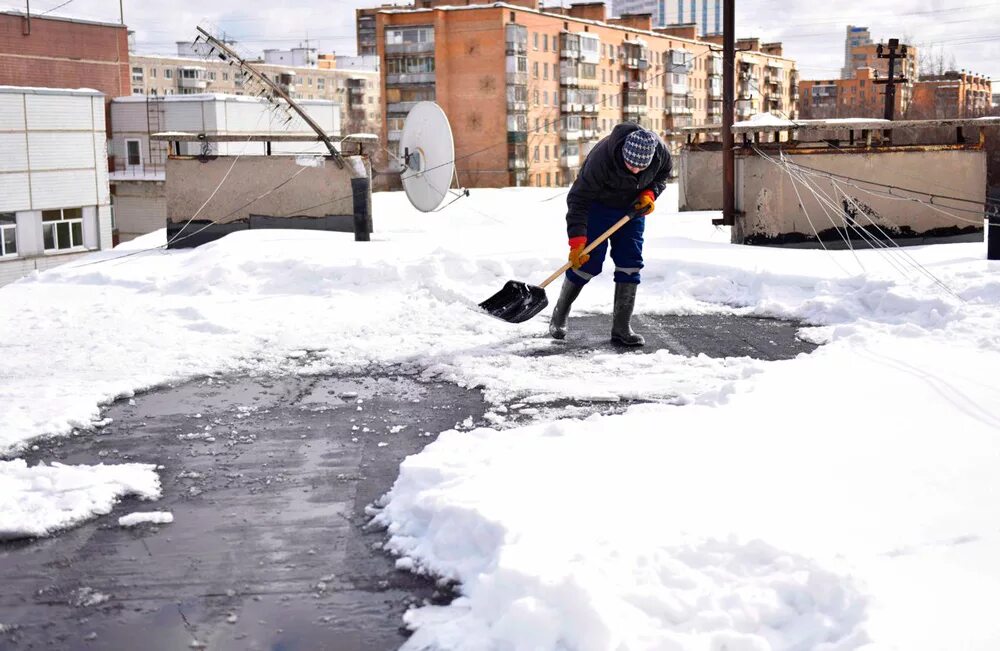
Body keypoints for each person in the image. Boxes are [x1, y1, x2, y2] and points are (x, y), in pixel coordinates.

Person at [549, 124, 671, 346]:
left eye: (640, 168)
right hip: (599, 207)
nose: (635, 171)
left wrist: (649, 194)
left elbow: (662, 177)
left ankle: (622, 328)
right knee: (588, 263)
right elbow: (578, 200)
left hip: (632, 209)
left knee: (630, 262)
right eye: (630, 165)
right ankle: (560, 312)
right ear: (623, 153)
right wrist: (577, 241)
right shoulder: (601, 159)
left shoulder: (661, 154)